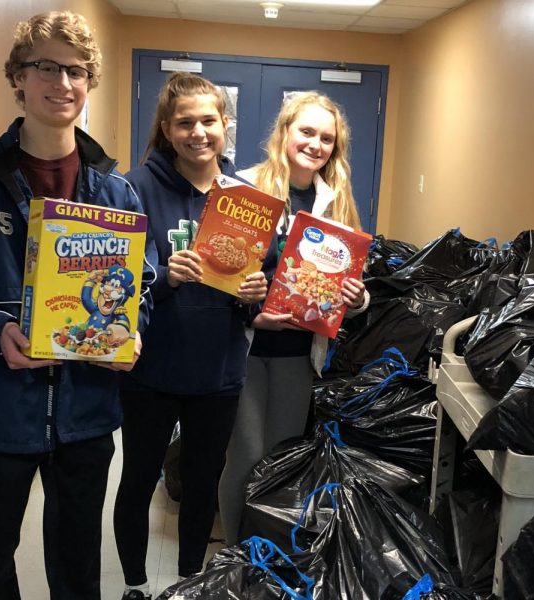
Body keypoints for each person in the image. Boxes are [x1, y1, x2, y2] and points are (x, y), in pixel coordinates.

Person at [0, 11, 156, 600]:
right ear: (18, 77)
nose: (63, 83)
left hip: (87, 412)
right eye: (46, 66)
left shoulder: (114, 193)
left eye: (76, 70)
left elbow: (139, 287)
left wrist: (131, 334)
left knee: (77, 565)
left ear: (89, 81)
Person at [113, 72, 274, 600]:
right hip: (150, 370)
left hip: (218, 369)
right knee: (137, 480)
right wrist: (163, 277)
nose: (198, 132)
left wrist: (255, 290)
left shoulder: (247, 199)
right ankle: (135, 584)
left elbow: (267, 287)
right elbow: (113, 281)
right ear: (167, 127)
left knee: (201, 484)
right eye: (185, 122)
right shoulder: (134, 188)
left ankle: (190, 583)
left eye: (209, 121)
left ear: (226, 126)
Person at [218, 91, 370, 545]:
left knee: (282, 457)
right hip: (245, 347)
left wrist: (356, 298)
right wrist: (254, 315)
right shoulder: (241, 187)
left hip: (298, 352)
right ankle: (234, 556)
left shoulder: (336, 200)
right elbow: (218, 274)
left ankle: (266, 553)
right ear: (285, 132)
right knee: (243, 457)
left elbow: (351, 283)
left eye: (327, 138)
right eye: (306, 132)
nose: (315, 144)